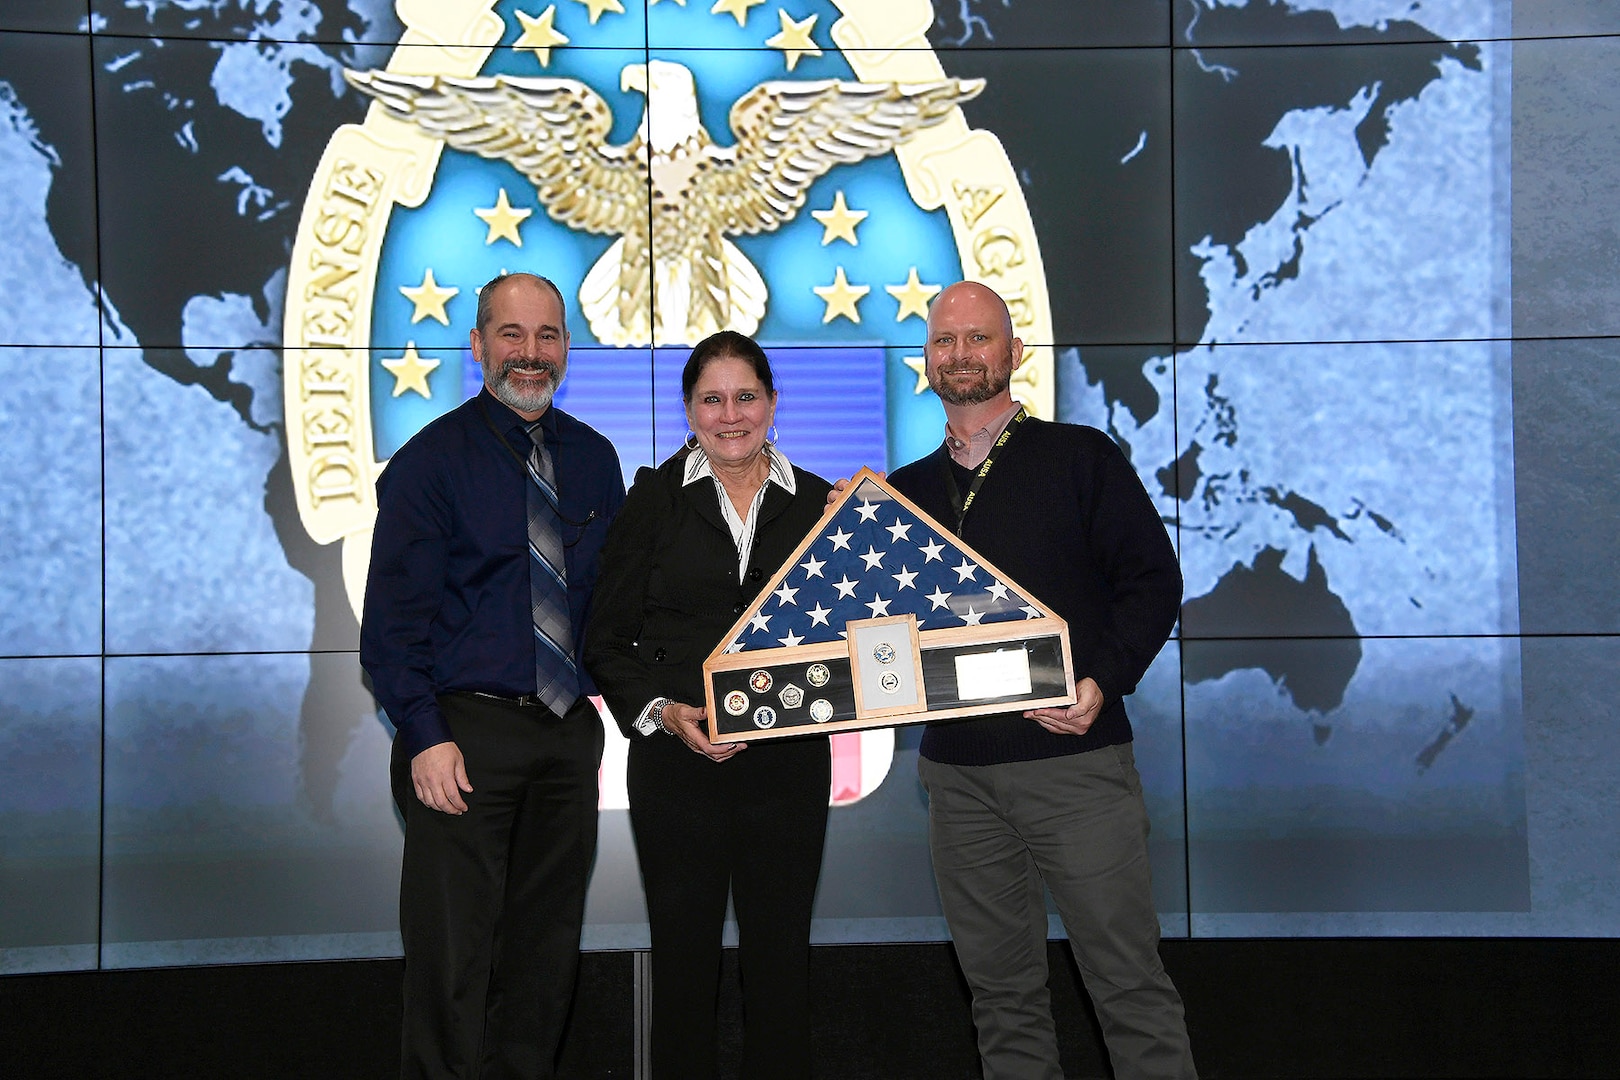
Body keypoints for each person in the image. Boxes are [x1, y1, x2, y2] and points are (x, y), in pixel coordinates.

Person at [887, 281, 1196, 1080]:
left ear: (1013, 352)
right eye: (945, 341)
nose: (961, 355)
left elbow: (1153, 583)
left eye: (979, 338)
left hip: (1076, 769)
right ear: (928, 360)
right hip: (957, 785)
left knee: (1128, 986)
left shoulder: (1080, 457)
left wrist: (1103, 680)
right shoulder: (903, 496)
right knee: (1001, 1000)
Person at [359, 272, 625, 1080]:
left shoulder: (593, 459)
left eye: (547, 336)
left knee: (544, 963)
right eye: (512, 334)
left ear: (566, 350)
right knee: (452, 964)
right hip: (461, 740)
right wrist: (426, 738)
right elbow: (391, 631)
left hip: (566, 739)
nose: (531, 353)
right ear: (477, 345)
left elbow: (617, 608)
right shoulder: (429, 463)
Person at [584, 330, 832, 1080]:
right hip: (675, 772)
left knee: (781, 967)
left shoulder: (822, 502)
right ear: (689, 409)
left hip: (787, 774)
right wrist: (666, 712)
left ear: (772, 403)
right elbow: (604, 642)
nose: (732, 415)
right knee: (685, 969)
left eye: (746, 396)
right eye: (713, 399)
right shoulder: (652, 499)